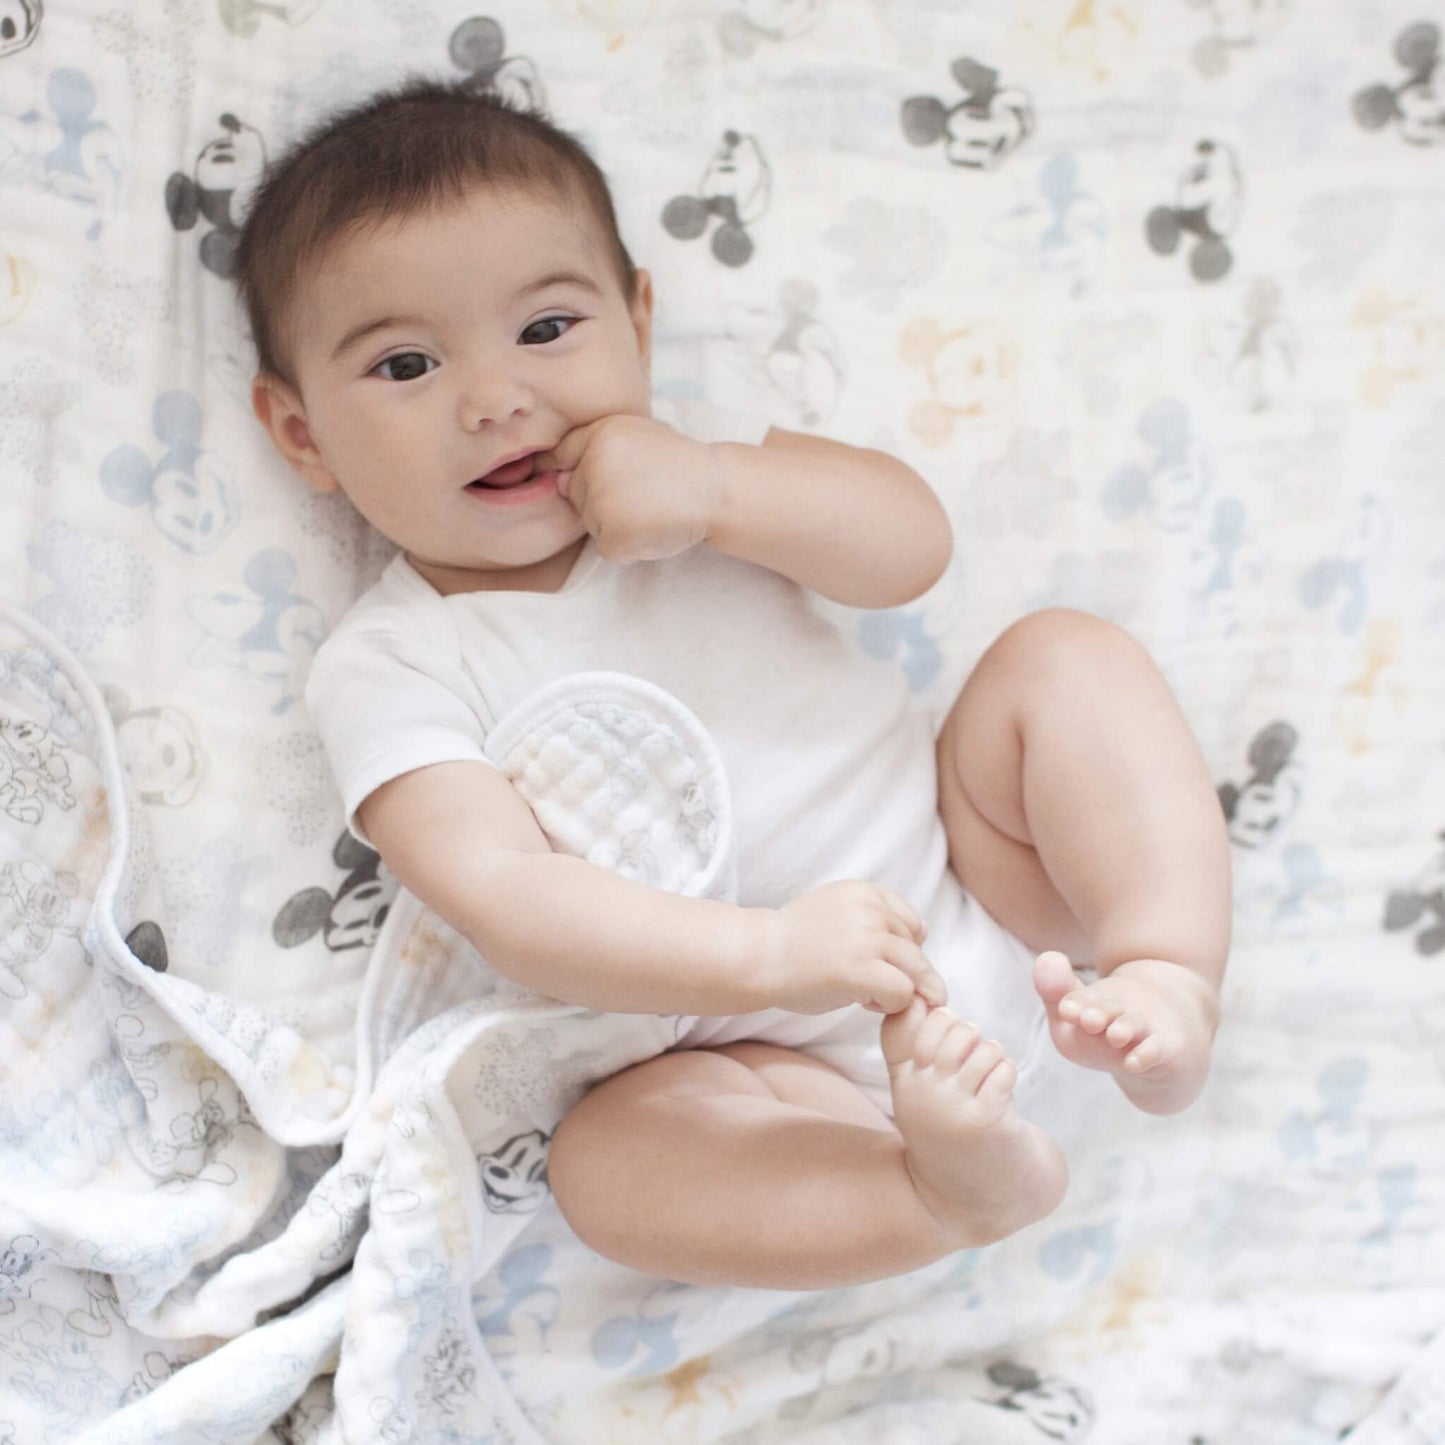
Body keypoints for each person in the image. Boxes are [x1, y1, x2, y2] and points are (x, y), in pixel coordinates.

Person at [237, 76, 1231, 1293]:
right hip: (753, 1044)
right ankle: (936, 1184)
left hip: (981, 880)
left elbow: (909, 545)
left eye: (547, 330)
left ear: (638, 325)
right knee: (607, 1162)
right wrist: (768, 959)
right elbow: (505, 894)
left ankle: (1162, 970)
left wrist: (713, 490)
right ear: (300, 435)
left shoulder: (713, 486)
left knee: (1064, 658)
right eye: (404, 364)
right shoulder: (392, 661)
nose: (495, 399)